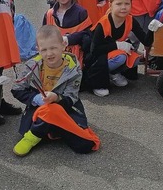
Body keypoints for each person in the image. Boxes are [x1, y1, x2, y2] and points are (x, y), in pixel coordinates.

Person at [11, 25, 100, 156]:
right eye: (44, 49)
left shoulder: (73, 69)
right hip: (38, 109)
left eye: (53, 48)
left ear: (63, 45)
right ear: (38, 50)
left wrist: (56, 98)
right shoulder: (32, 65)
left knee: (85, 146)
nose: (49, 53)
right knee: (48, 113)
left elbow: (72, 97)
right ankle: (38, 134)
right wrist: (35, 99)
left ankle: (41, 132)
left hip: (65, 108)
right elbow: (16, 89)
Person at [85, 0, 154, 97]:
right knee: (121, 57)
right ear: (110, 5)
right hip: (96, 57)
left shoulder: (130, 20)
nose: (123, 7)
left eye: (127, 4)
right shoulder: (103, 24)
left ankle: (113, 73)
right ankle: (100, 81)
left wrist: (152, 29)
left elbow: (146, 41)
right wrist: (117, 45)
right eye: (118, 4)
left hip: (111, 52)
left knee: (135, 59)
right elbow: (94, 51)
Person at [43, 0, 92, 66]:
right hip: (54, 60)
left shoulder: (81, 12)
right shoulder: (49, 14)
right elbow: (43, 35)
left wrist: (68, 39)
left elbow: (87, 36)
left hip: (76, 61)